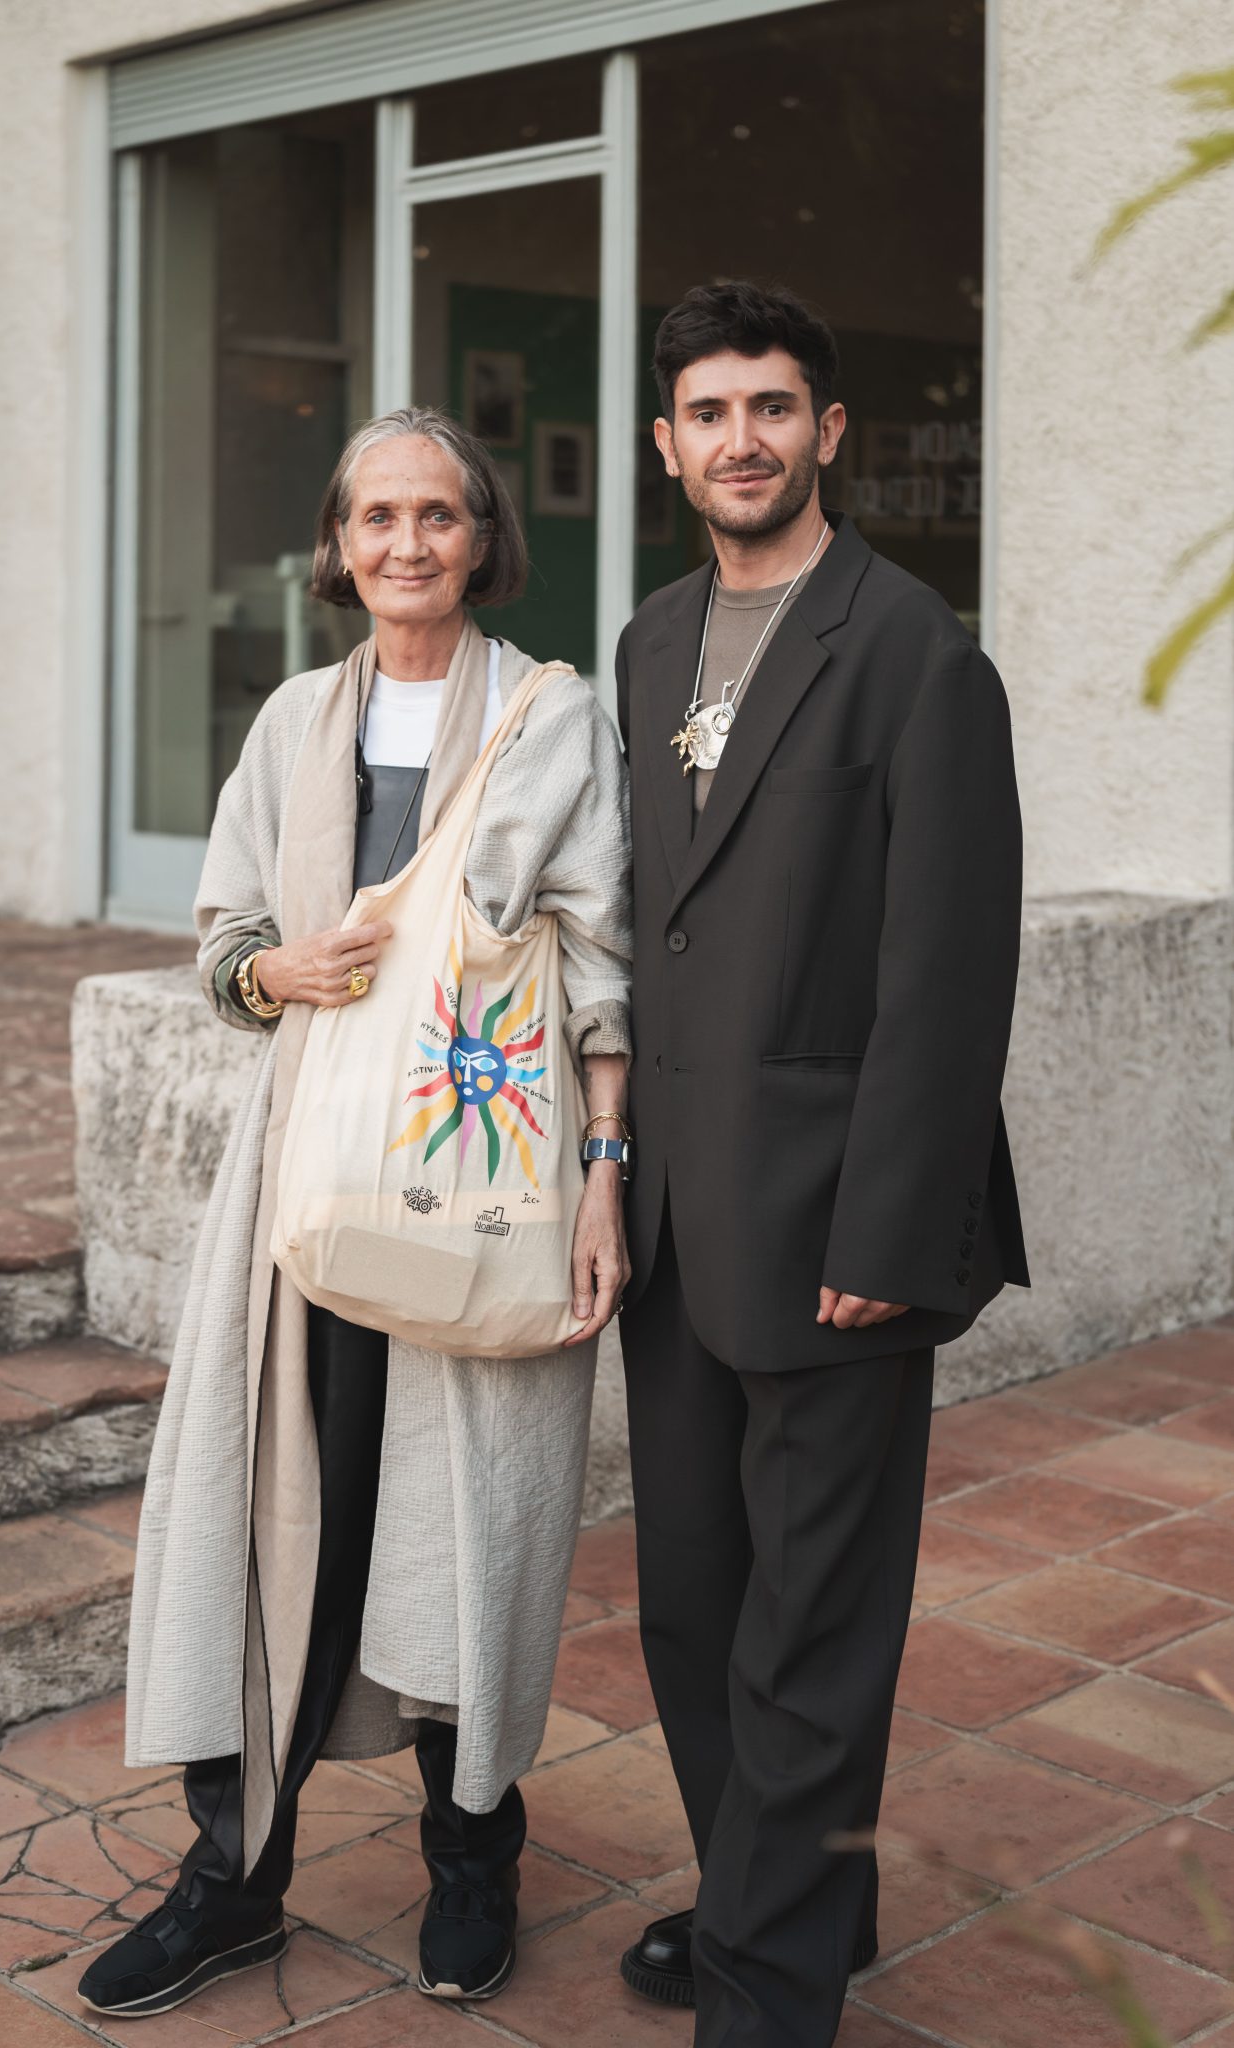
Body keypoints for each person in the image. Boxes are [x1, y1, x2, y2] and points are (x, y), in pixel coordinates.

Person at [79, 407, 632, 2022]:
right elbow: (226, 935)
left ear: (482, 539)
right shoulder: (293, 721)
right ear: (337, 545)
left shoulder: (550, 720)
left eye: (438, 516)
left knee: (470, 1527)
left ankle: (474, 1859)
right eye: (376, 517)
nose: (406, 545)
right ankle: (233, 1876)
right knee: (272, 1511)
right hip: (305, 1181)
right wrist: (272, 969)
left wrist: (608, 1175)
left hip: (490, 1171)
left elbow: (600, 965)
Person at [613, 282, 1028, 2046]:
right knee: (695, 1616)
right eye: (710, 412)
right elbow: (648, 930)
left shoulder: (920, 653)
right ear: (668, 445)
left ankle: (765, 1993)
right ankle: (788, 1898)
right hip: (674, 1228)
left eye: (773, 407)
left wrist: (893, 1227)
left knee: (814, 1640)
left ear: (828, 433)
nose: (742, 439)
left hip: (836, 1229)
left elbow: (951, 978)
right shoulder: (642, 645)